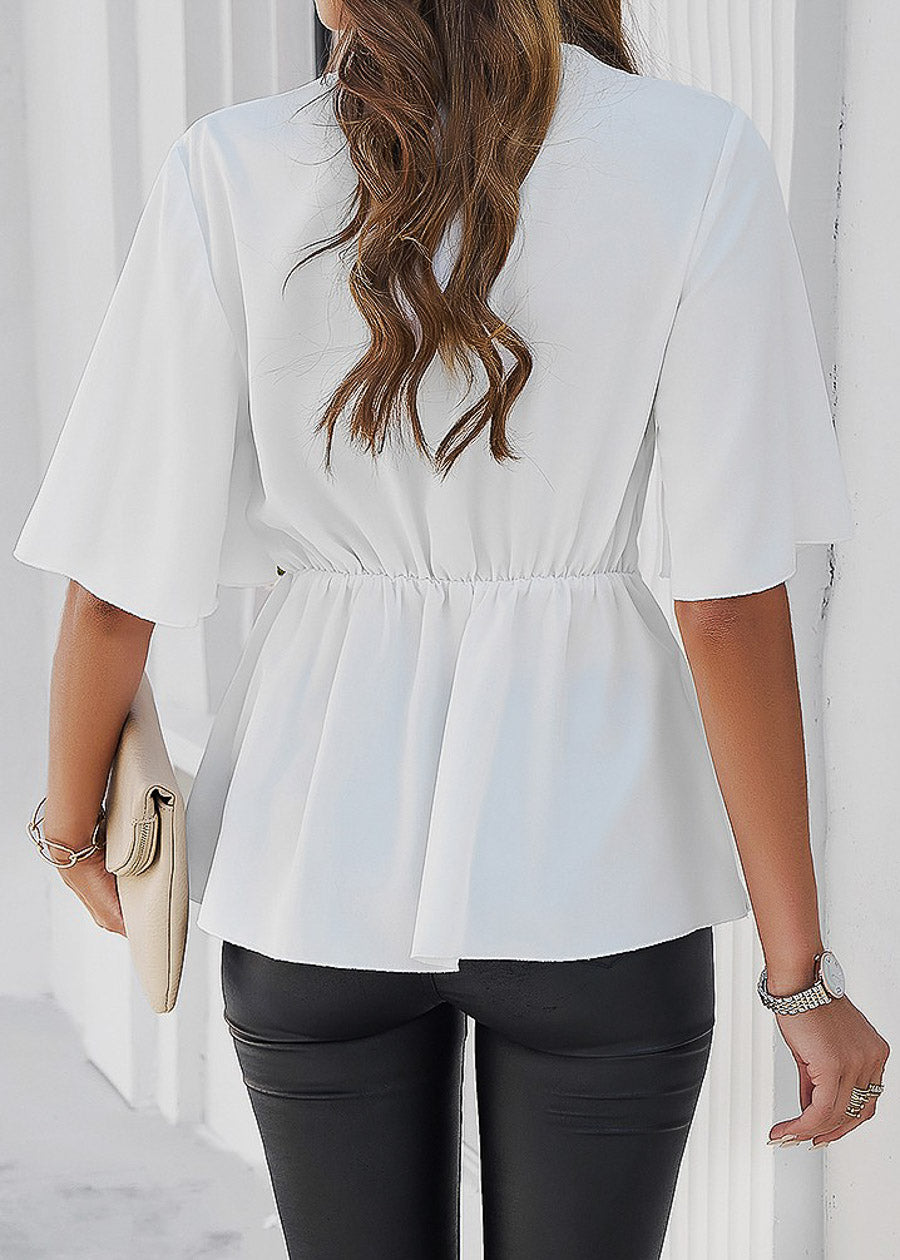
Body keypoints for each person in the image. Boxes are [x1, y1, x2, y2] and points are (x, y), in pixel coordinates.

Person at [12, 1, 890, 1257]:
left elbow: (114, 584)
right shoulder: (696, 155)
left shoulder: (234, 165)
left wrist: (68, 826)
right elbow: (726, 609)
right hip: (600, 867)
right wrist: (802, 981)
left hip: (311, 861)